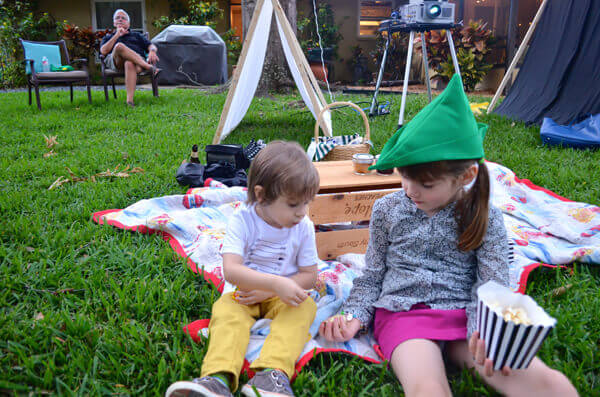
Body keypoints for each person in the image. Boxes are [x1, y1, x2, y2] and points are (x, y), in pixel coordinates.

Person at [319, 75, 578, 397]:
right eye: (405, 177)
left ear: (466, 175)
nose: (411, 191)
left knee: (545, 382)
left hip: (465, 312)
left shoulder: (484, 215)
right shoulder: (387, 209)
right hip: (404, 314)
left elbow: (493, 284)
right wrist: (355, 315)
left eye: (426, 185)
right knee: (428, 388)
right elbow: (373, 276)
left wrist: (484, 328)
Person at [166, 141, 321, 397]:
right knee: (227, 314)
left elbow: (309, 276)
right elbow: (232, 270)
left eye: (307, 203)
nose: (302, 212)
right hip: (243, 292)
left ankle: (272, 376)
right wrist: (272, 285)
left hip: (283, 293)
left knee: (305, 307)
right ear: (261, 196)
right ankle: (217, 379)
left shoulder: (303, 225)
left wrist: (275, 289)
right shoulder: (242, 219)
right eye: (294, 204)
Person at [99, 9, 160, 107]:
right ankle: (149, 67)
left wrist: (152, 51)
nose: (120, 20)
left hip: (137, 63)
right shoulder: (108, 37)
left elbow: (151, 45)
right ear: (114, 22)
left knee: (129, 62)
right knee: (119, 46)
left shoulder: (137, 35)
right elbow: (103, 51)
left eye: (123, 18)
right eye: (117, 18)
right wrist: (117, 35)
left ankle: (130, 101)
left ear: (128, 23)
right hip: (116, 62)